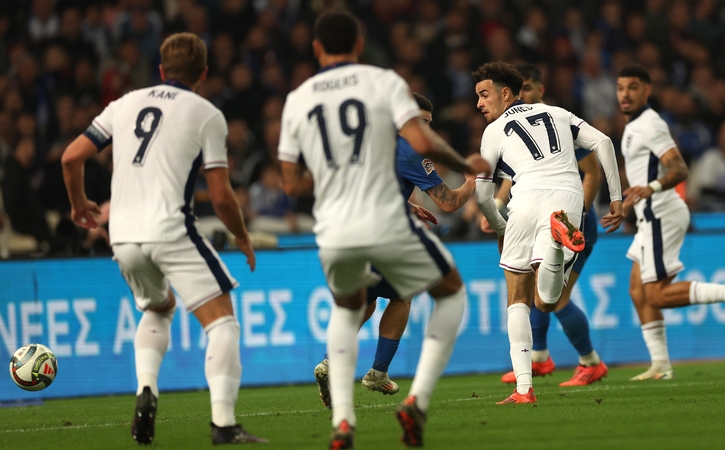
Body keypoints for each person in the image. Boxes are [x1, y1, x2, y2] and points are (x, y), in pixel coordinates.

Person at [277, 11, 488, 449]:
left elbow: (292, 183)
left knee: (354, 304)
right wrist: (472, 172)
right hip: (381, 222)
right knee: (449, 291)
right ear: (359, 45)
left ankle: (343, 421)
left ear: (316, 49)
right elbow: (439, 181)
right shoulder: (385, 86)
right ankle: (416, 399)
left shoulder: (297, 98)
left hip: (332, 226)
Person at [61, 32, 266, 445]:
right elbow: (223, 196)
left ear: (160, 70)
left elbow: (70, 156)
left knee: (158, 308)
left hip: (122, 234)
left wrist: (79, 203)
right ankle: (224, 425)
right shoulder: (206, 114)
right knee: (223, 323)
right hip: (170, 228)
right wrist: (242, 236)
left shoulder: (123, 105)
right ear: (203, 74)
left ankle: (146, 390)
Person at [473, 61, 625, 405]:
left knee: (520, 301)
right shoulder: (556, 113)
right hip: (566, 199)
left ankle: (524, 389)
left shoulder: (494, 131)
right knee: (548, 300)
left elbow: (483, 195)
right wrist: (616, 199)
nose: (479, 104)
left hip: (523, 200)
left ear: (506, 93)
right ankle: (556, 247)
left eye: (484, 95)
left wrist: (499, 225)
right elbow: (603, 142)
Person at [313, 92, 477, 407]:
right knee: (404, 292)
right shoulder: (411, 151)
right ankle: (377, 372)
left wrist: (405, 203)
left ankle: (333, 363)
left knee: (368, 299)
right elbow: (449, 202)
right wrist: (471, 181)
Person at [616, 64, 725, 381]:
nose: (625, 94)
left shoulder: (651, 124)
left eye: (632, 87)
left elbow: (680, 169)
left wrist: (650, 188)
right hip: (648, 214)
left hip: (661, 211)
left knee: (655, 294)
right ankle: (660, 365)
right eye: (620, 88)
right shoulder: (633, 126)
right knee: (637, 290)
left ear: (647, 90)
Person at [496, 63, 609, 387]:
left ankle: (591, 362)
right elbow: (513, 176)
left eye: (529, 89)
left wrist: (577, 216)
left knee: (555, 297)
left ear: (540, 90)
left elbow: (592, 173)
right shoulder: (515, 126)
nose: (524, 96)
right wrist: (497, 208)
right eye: (519, 91)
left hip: (569, 221)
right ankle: (540, 359)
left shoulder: (559, 122)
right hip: (536, 215)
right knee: (534, 290)